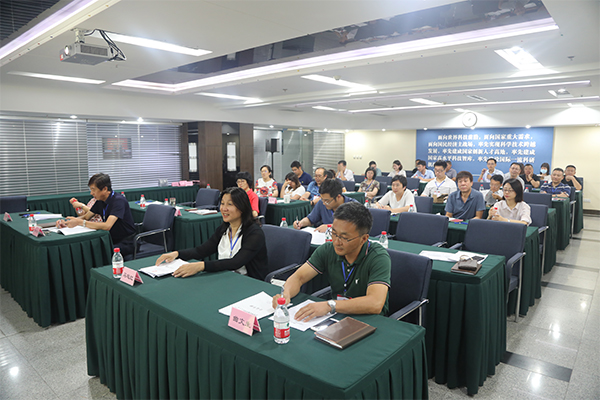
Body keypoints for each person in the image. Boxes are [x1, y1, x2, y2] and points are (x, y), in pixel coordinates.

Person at [273, 202, 391, 320]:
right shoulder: (328, 249)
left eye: (344, 237)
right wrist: (286, 294)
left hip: (370, 320)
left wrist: (330, 306)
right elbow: (298, 277)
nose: (336, 242)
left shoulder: (378, 257)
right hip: (338, 315)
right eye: (333, 233)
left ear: (363, 239)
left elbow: (375, 303)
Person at [155, 187, 268, 280]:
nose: (224, 208)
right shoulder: (224, 229)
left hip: (249, 282)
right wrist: (176, 254)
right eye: (222, 203)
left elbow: (235, 263)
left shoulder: (255, 233)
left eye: (230, 204)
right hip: (225, 277)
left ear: (242, 208)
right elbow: (201, 251)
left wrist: (200, 266)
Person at [56, 173, 135, 256]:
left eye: (93, 190)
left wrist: (80, 222)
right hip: (110, 238)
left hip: (126, 241)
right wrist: (67, 222)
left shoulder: (118, 201)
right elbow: (86, 217)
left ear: (104, 189)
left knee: (95, 252)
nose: (91, 193)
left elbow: (107, 226)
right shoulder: (100, 201)